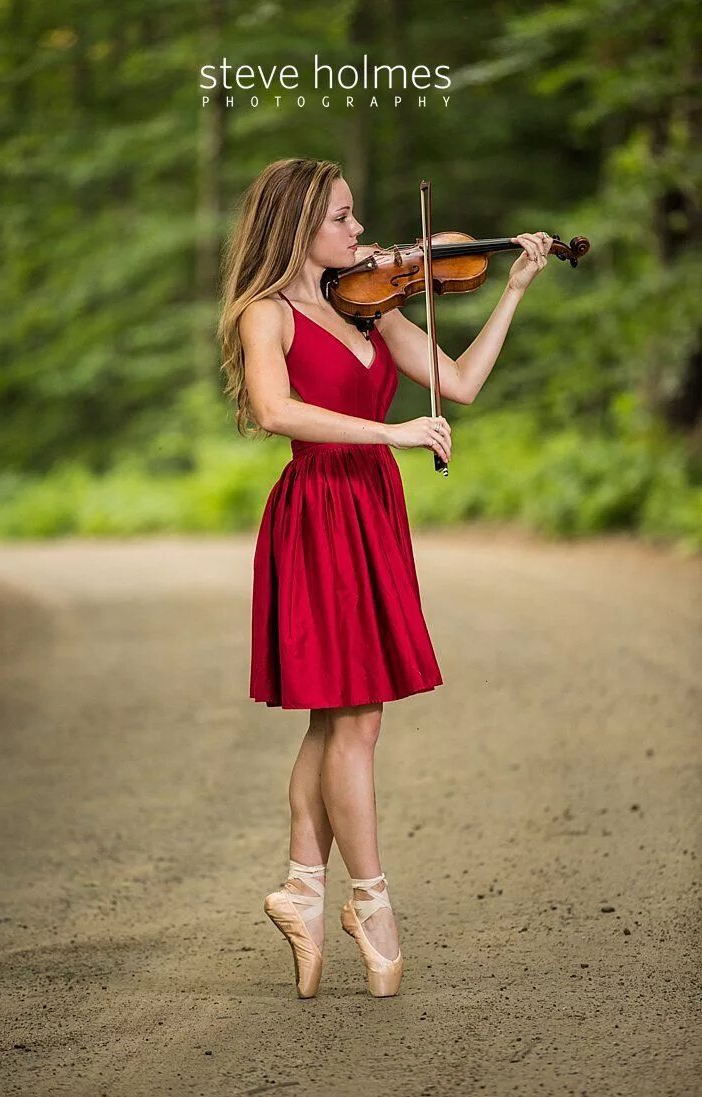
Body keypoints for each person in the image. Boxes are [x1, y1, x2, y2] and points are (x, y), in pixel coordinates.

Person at [217, 157, 551, 999]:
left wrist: (511, 289)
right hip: (319, 514)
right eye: (342, 219)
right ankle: (370, 903)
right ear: (297, 226)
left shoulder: (373, 310)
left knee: (340, 717)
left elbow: (462, 384)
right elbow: (275, 411)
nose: (363, 234)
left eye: (357, 218)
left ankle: (302, 888)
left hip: (372, 516)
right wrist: (393, 435)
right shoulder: (270, 314)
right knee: (356, 717)